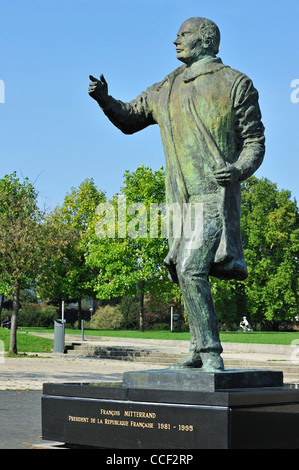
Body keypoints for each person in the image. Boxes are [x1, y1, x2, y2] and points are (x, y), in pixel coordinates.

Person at [88, 17, 265, 371]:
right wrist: (105, 100)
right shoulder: (166, 87)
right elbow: (130, 118)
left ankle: (211, 353)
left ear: (206, 40)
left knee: (191, 268)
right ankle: (198, 350)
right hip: (181, 203)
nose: (175, 41)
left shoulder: (234, 84)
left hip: (214, 197)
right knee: (183, 273)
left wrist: (237, 170)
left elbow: (255, 142)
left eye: (183, 35)